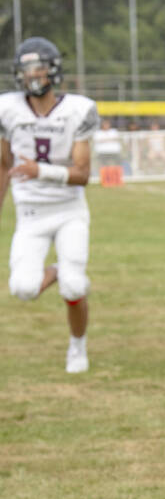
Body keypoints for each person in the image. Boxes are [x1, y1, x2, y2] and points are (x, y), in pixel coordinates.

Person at [0, 37, 98, 373]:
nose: (31, 74)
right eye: (25, 68)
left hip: (68, 211)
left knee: (75, 286)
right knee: (23, 289)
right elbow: (2, 164)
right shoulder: (7, 108)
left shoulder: (79, 109)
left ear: (52, 70)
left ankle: (77, 347)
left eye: (37, 66)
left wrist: (39, 170)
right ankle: (58, 270)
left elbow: (83, 174)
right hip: (30, 215)